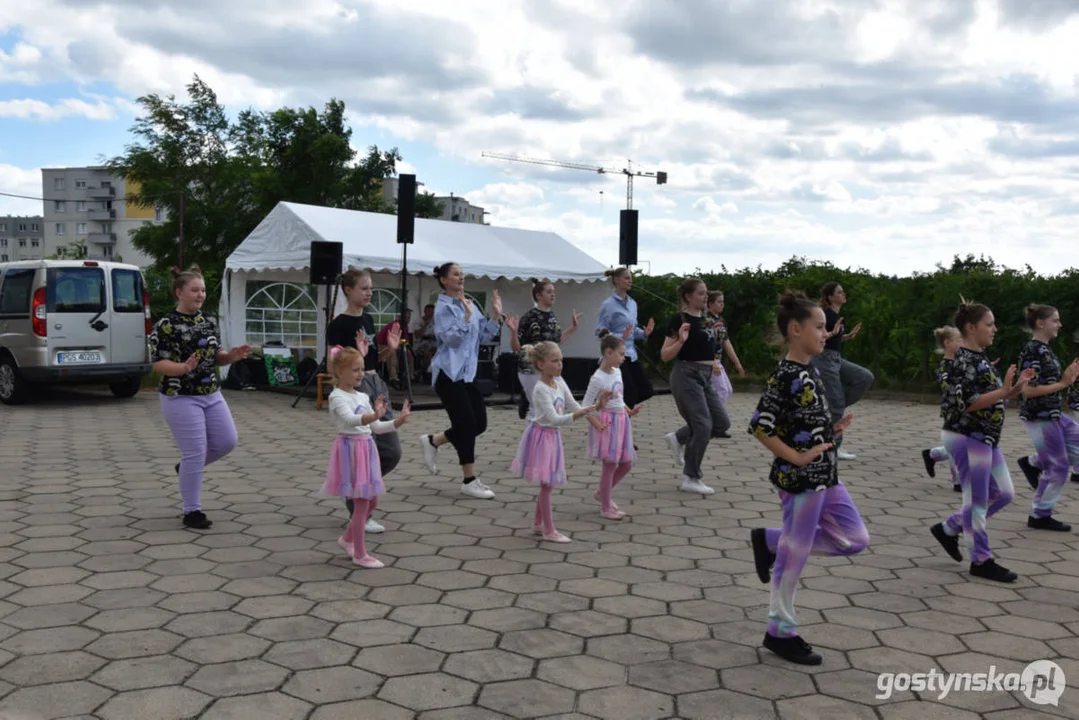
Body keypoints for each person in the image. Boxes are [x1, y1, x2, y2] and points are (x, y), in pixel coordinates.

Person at [747, 291, 869, 666]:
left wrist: (831, 428)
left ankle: (769, 541)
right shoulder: (785, 375)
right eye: (819, 327)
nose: (826, 332)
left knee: (855, 539)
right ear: (796, 330)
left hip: (826, 477)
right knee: (794, 554)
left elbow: (798, 422)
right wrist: (796, 457)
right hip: (799, 481)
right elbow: (760, 426)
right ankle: (779, 632)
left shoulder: (809, 370)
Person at [930, 300, 1032, 583]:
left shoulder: (980, 357)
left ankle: (949, 528)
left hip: (985, 437)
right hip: (966, 436)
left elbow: (993, 396)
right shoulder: (962, 361)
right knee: (975, 500)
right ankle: (981, 560)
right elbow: (966, 404)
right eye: (989, 324)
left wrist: (1014, 389)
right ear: (971, 328)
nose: (995, 329)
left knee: (1004, 493)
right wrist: (1004, 390)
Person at [150, 265, 251, 530]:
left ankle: (186, 469)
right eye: (195, 290)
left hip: (211, 393)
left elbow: (216, 355)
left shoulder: (208, 321)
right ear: (179, 292)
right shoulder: (166, 325)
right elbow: (158, 364)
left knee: (227, 441)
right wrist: (183, 368)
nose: (200, 295)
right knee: (195, 452)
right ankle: (191, 511)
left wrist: (230, 356)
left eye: (203, 290)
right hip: (180, 396)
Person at [326, 268, 402, 535]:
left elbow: (371, 360)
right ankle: (358, 508)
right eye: (364, 288)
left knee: (391, 451)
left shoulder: (368, 320)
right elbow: (333, 365)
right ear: (349, 290)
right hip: (355, 391)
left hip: (375, 384)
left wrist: (388, 350)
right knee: (365, 446)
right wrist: (355, 358)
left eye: (371, 288)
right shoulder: (338, 325)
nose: (369, 293)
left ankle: (357, 488)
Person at [320, 344, 411, 568]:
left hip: (366, 448)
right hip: (350, 450)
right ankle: (360, 553)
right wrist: (372, 416)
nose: (361, 374)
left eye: (362, 369)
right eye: (355, 370)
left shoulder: (362, 395)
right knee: (361, 503)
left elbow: (377, 427)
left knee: (373, 500)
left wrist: (396, 421)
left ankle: (347, 539)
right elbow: (351, 420)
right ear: (340, 372)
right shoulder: (337, 396)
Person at [419, 263, 504, 499]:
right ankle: (469, 479)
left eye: (462, 274)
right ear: (444, 280)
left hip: (468, 374)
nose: (461, 277)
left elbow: (484, 336)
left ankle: (433, 441)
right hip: (448, 373)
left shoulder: (470, 304)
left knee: (479, 424)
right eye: (455, 274)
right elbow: (453, 341)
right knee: (466, 424)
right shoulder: (443, 307)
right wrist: (466, 320)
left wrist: (495, 316)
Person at [511, 341, 608, 542]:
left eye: (561, 360)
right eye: (554, 361)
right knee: (547, 484)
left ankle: (538, 524)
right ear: (541, 365)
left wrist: (596, 410)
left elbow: (573, 405)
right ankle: (549, 530)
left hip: (553, 437)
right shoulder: (540, 389)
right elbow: (555, 419)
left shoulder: (559, 382)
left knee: (548, 484)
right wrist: (581, 414)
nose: (560, 364)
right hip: (541, 437)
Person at [660, 278, 731, 495]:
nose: (705, 296)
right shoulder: (679, 319)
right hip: (686, 375)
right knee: (702, 424)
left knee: (721, 422)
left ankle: (679, 438)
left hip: (706, 377)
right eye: (701, 293)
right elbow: (664, 355)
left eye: (706, 292)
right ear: (689, 296)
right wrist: (680, 341)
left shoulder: (708, 319)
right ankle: (691, 477)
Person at [1012, 304, 1079, 531]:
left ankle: (1034, 463)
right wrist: (1064, 383)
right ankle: (1040, 515)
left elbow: (1049, 382)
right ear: (1040, 323)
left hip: (1054, 414)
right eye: (1055, 320)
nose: (1059, 324)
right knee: (1059, 468)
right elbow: (1027, 391)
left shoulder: (1046, 349)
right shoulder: (1033, 350)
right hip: (1040, 417)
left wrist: (1067, 376)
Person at [812, 282, 874, 460]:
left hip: (836, 359)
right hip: (824, 360)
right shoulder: (825, 316)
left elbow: (832, 339)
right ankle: (833, 447)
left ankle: (830, 407)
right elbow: (819, 338)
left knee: (865, 377)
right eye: (839, 292)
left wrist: (845, 337)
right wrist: (833, 333)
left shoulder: (836, 316)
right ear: (831, 297)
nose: (843, 294)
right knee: (837, 403)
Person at [507, 278, 583, 419]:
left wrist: (573, 328)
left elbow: (556, 341)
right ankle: (534, 438)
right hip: (530, 369)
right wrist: (513, 331)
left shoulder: (552, 316)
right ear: (538, 295)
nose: (553, 295)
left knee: (562, 400)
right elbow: (516, 347)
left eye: (554, 292)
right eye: (549, 292)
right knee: (539, 409)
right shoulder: (529, 317)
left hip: (550, 367)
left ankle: (593, 418)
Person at [584, 334, 641, 519]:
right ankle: (606, 507)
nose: (624, 358)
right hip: (608, 423)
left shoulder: (617, 371)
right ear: (609, 352)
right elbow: (585, 407)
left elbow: (619, 397)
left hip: (622, 421)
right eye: (621, 354)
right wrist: (597, 424)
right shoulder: (597, 379)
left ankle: (603, 493)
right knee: (610, 464)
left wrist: (628, 410)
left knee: (627, 463)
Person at [596, 267, 655, 410]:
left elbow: (632, 330)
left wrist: (644, 333)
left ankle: (614, 407)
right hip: (616, 355)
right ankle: (620, 419)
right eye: (627, 278)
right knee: (630, 393)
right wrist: (619, 337)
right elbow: (600, 332)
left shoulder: (633, 303)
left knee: (646, 390)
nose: (631, 281)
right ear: (617, 280)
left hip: (631, 354)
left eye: (631, 278)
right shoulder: (608, 305)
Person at [921, 326, 962, 493]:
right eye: (959, 340)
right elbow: (947, 385)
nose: (962, 343)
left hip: (966, 409)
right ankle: (958, 481)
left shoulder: (962, 363)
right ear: (947, 343)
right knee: (956, 444)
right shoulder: (945, 366)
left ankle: (931, 454)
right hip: (952, 409)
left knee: (960, 444)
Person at [706, 290, 746, 420]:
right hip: (709, 361)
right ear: (710, 304)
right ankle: (715, 421)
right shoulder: (706, 320)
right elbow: (704, 343)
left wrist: (737, 363)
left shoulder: (721, 321)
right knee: (722, 391)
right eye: (719, 302)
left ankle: (713, 419)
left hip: (718, 360)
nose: (722, 305)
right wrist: (712, 362)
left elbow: (726, 342)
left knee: (727, 390)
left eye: (723, 302)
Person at [377, 309, 413, 387]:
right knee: (392, 352)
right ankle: (393, 378)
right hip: (381, 345)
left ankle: (410, 376)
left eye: (409, 318)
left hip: (396, 345)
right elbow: (389, 341)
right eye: (406, 317)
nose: (408, 320)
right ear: (400, 317)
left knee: (409, 353)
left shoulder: (405, 327)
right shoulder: (394, 325)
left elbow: (405, 340)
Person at [412, 304, 438, 380]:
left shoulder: (436, 322)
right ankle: (426, 373)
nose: (431, 314)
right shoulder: (418, 321)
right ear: (425, 311)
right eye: (429, 312)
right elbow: (416, 335)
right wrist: (425, 325)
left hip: (433, 344)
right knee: (428, 353)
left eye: (433, 312)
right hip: (420, 345)